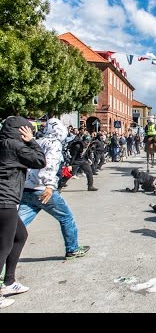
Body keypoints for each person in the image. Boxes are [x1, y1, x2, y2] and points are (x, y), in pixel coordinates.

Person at [18, 118, 90, 261]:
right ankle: (72, 249)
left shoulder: (37, 142)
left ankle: (3, 261)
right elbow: (50, 164)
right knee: (66, 217)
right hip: (43, 188)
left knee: (17, 225)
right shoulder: (54, 144)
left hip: (27, 188)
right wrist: (50, 186)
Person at [0, 116, 46, 308]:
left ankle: (9, 282)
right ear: (22, 131)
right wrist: (31, 140)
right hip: (5, 200)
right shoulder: (15, 145)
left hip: (5, 200)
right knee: (3, 247)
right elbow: (40, 160)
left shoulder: (3, 143)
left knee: (20, 235)